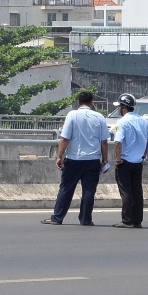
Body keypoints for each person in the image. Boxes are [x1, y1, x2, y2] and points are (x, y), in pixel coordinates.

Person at [42, 91, 109, 226]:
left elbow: (65, 138)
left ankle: (57, 217)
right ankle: (85, 219)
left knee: (66, 188)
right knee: (89, 190)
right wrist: (105, 159)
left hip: (74, 158)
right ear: (92, 103)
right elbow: (104, 141)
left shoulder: (72, 115)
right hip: (93, 159)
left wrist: (59, 156)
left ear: (78, 102)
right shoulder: (99, 117)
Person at [112, 93, 148, 228]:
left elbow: (118, 142)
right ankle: (137, 220)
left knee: (126, 191)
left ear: (123, 108)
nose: (119, 109)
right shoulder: (142, 121)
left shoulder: (121, 122)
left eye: (119, 106)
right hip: (138, 161)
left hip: (125, 162)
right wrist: (144, 154)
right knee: (137, 191)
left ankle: (127, 220)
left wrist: (118, 159)